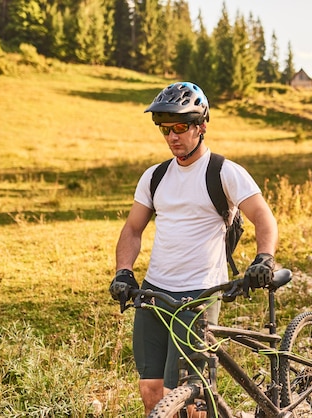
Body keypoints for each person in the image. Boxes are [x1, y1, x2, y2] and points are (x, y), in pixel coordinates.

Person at [109, 81, 278, 416]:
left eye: (181, 127)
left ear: (201, 126)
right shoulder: (154, 177)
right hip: (155, 292)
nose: (173, 137)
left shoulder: (224, 172)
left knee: (184, 395)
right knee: (151, 390)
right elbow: (132, 228)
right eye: (165, 129)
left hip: (200, 292)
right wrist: (124, 272)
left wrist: (264, 257)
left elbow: (263, 217)